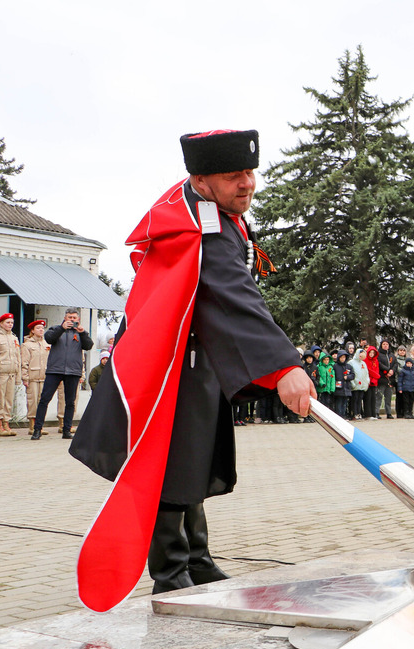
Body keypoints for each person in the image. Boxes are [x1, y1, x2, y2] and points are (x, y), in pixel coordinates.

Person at [69, 129, 315, 606]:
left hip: (195, 359)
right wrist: (284, 365)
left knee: (193, 459)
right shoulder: (198, 228)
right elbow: (234, 295)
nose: (247, 184)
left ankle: (196, 557)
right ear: (201, 179)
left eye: (250, 172)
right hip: (166, 367)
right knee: (166, 461)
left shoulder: (210, 212)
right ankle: (169, 568)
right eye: (233, 176)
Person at [30, 308, 92, 439]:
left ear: (78, 319)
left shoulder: (80, 333)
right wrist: (62, 328)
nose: (71, 320)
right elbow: (49, 339)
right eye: (69, 317)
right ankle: (37, 430)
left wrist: (83, 333)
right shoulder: (56, 329)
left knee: (70, 402)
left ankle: (66, 430)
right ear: (65, 318)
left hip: (73, 371)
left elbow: (88, 346)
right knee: (44, 399)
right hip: (55, 370)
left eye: (74, 318)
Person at [0, 313, 21, 436]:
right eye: (7, 322)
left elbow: (18, 357)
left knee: (8, 400)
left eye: (12, 323)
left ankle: (6, 424)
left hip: (12, 373)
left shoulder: (14, 338)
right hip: (1, 373)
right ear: (1, 323)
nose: (10, 325)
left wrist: (18, 376)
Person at [20, 319, 50, 434]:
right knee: (32, 401)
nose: (41, 330)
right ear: (32, 330)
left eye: (42, 328)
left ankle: (40, 425)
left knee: (42, 401)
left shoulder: (46, 344)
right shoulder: (27, 345)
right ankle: (32, 426)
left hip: (44, 377)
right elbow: (24, 363)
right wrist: (25, 377)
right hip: (32, 377)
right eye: (38, 328)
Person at [376, 340, 396, 418]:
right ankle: (376, 412)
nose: (385, 345)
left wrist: (392, 371)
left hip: (390, 379)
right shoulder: (378, 355)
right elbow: (379, 364)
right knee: (379, 396)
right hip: (382, 378)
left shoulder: (391, 355)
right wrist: (387, 370)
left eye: (387, 344)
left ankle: (389, 413)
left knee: (388, 397)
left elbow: (395, 364)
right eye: (383, 344)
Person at [363, 345, 380, 419]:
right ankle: (368, 414)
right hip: (368, 382)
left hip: (374, 382)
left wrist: (375, 379)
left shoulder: (376, 361)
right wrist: (376, 376)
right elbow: (368, 371)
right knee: (368, 398)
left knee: (373, 398)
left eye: (373, 353)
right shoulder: (365, 360)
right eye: (370, 352)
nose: (372, 354)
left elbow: (377, 370)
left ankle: (373, 414)